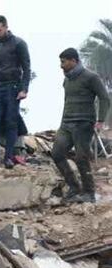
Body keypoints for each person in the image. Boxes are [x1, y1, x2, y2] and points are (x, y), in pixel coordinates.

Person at [52, 48, 110, 204]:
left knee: (81, 158)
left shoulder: (91, 77)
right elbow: (67, 102)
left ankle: (89, 193)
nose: (61, 65)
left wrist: (100, 120)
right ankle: (74, 188)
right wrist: (62, 123)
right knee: (57, 153)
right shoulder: (67, 80)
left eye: (63, 62)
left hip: (83, 123)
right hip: (66, 124)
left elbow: (104, 98)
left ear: (74, 61)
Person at [0, 15, 31, 169]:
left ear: (6, 27)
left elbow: (26, 67)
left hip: (12, 87)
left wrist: (24, 89)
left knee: (11, 122)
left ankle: (9, 157)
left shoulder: (19, 44)